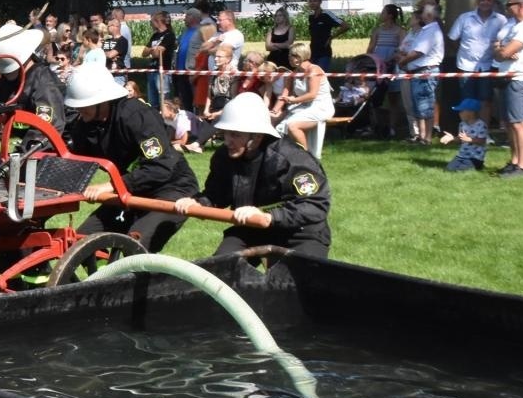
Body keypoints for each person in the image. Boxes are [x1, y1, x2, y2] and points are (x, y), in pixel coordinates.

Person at [174, 92, 331, 259]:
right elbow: (217, 194)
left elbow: (315, 205)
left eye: (235, 134)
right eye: (225, 133)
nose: (227, 141)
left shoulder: (292, 159)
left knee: (298, 282)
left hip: (300, 231)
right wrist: (198, 202)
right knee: (219, 271)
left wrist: (270, 217)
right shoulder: (223, 156)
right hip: (251, 227)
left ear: (257, 136)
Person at [65, 61, 197, 252]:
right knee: (81, 241)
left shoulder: (137, 115)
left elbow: (160, 167)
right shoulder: (86, 122)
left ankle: (137, 280)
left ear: (102, 101)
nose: (79, 110)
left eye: (84, 105)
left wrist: (111, 186)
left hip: (172, 189)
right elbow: (75, 158)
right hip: (132, 191)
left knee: (135, 242)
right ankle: (105, 278)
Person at [449, 0, 509, 130]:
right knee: (467, 101)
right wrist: (463, 51)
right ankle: (468, 132)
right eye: (483, 0)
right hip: (466, 65)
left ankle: (483, 133)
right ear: (478, 1)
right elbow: (452, 38)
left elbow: (506, 41)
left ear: (493, 3)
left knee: (486, 101)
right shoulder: (464, 18)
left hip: (488, 65)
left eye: (489, 0)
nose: (485, 3)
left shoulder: (501, 20)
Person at [393, 5, 443, 143]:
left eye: (424, 13)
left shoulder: (431, 31)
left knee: (425, 105)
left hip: (425, 71)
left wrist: (403, 61)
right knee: (418, 106)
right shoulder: (425, 30)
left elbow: (419, 51)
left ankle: (426, 138)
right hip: (417, 71)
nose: (421, 16)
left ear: (429, 15)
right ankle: (421, 136)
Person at [494, 0, 523, 178]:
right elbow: (497, 51)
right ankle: (514, 161)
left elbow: (504, 54)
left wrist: (501, 49)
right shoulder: (514, 26)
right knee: (509, 123)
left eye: (509, 5)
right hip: (507, 78)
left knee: (519, 124)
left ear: (521, 6)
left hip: (518, 79)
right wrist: (500, 48)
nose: (507, 8)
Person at [275, 44, 335, 148]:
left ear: (299, 57)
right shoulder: (295, 73)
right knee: (279, 127)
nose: (288, 58)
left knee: (292, 126)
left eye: (291, 56)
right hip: (305, 106)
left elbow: (312, 95)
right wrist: (275, 110)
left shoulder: (314, 70)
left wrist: (294, 101)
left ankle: (306, 157)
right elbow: (285, 93)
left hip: (320, 107)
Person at [441, 98, 490, 172]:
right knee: (449, 169)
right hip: (462, 155)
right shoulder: (462, 124)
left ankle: (479, 165)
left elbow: (482, 141)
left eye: (461, 111)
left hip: (475, 157)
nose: (459, 113)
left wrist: (469, 139)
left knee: (462, 170)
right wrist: (452, 138)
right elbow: (461, 139)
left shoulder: (481, 125)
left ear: (471, 112)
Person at [305, 0, 344, 71]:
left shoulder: (326, 14)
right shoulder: (311, 17)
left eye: (315, 1)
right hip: (312, 51)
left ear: (320, 2)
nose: (312, 3)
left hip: (324, 52)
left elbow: (345, 26)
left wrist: (331, 37)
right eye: (310, 1)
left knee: (320, 76)